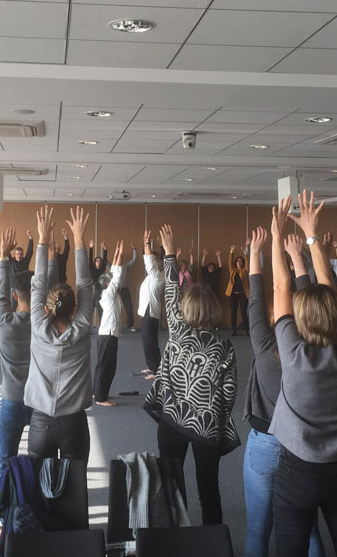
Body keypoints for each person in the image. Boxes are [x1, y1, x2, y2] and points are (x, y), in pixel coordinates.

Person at [270, 192, 337, 557]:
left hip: (298, 470)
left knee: (291, 548)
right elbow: (330, 292)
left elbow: (281, 289)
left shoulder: (295, 354)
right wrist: (310, 237)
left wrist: (278, 238)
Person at [144, 223, 238, 525]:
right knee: (210, 491)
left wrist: (169, 254)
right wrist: (216, 420)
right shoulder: (225, 346)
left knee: (170, 485)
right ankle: (213, 542)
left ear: (185, 310)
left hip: (172, 419)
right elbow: (228, 394)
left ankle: (176, 538)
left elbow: (171, 293)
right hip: (208, 425)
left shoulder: (178, 334)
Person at [244, 226, 324, 557]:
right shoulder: (315, 349)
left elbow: (257, 295)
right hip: (303, 445)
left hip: (265, 441)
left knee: (257, 530)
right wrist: (297, 257)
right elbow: (315, 303)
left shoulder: (264, 346)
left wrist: (257, 250)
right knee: (309, 530)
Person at [26, 205, 94, 460]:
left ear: (45, 308)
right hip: (73, 424)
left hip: (40, 422)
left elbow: (39, 281)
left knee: (37, 493)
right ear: (75, 309)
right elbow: (85, 284)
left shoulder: (38, 324)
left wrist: (42, 239)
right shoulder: (83, 325)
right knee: (75, 493)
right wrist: (79, 239)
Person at [0, 227, 34, 482]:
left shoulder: (5, 323)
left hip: (11, 400)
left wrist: (3, 256)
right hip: (38, 400)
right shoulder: (44, 326)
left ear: (15, 296)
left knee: (5, 460)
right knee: (41, 458)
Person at [94, 241, 125, 407]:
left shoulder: (107, 293)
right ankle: (100, 398)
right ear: (107, 284)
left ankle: (96, 391)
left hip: (105, 335)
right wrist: (119, 255)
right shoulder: (109, 294)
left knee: (101, 365)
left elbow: (113, 273)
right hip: (108, 335)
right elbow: (117, 276)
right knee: (107, 366)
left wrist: (115, 255)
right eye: (110, 281)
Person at [138, 230, 164, 380]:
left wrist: (147, 243)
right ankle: (151, 366)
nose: (148, 266)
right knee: (147, 341)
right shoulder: (150, 276)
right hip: (146, 312)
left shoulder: (158, 277)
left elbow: (149, 262)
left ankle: (156, 370)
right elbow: (147, 263)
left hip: (151, 312)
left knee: (150, 342)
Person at [227, 245, 249, 335]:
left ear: (242, 263)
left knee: (243, 312)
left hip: (243, 294)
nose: (239, 262)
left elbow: (247, 262)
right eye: (237, 261)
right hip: (233, 294)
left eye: (240, 261)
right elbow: (229, 262)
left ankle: (246, 330)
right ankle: (233, 329)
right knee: (233, 312)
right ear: (235, 263)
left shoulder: (245, 270)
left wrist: (244, 253)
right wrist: (231, 252)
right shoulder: (233, 270)